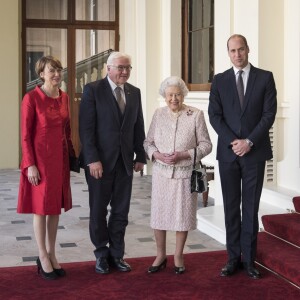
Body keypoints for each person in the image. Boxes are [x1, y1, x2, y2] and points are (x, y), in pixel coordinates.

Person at [208, 34, 277, 279]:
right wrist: (233, 142)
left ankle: (249, 260)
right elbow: (215, 115)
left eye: (241, 50)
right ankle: (231, 259)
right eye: (233, 51)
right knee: (229, 207)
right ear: (228, 53)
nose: (237, 54)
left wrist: (248, 142)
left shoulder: (265, 78)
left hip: (254, 153)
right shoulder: (219, 80)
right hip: (228, 154)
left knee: (250, 208)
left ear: (248, 50)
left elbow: (269, 114)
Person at [79, 51, 146, 274]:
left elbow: (138, 125)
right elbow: (86, 130)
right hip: (100, 164)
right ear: (108, 68)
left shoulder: (134, 92)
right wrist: (92, 160)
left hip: (125, 162)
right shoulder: (93, 90)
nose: (124, 72)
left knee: (120, 212)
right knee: (98, 211)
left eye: (128, 68)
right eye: (120, 67)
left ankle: (117, 255)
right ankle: (101, 254)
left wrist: (140, 156)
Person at [144, 76, 212, 274]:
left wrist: (185, 155)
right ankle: (160, 255)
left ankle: (179, 255)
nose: (174, 98)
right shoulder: (158, 114)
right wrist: (155, 154)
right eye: (170, 95)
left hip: (185, 174)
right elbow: (148, 142)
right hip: (161, 175)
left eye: (177, 94)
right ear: (164, 97)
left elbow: (206, 145)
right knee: (159, 215)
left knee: (182, 215)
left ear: (183, 95)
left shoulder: (195, 114)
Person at [17, 56, 76, 280]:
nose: (57, 75)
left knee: (54, 209)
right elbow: (24, 136)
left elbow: (67, 130)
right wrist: (29, 164)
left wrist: (71, 156)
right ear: (41, 74)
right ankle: (42, 255)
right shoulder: (31, 98)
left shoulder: (64, 98)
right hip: (39, 163)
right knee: (41, 209)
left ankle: (52, 253)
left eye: (59, 70)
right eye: (52, 71)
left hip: (59, 161)